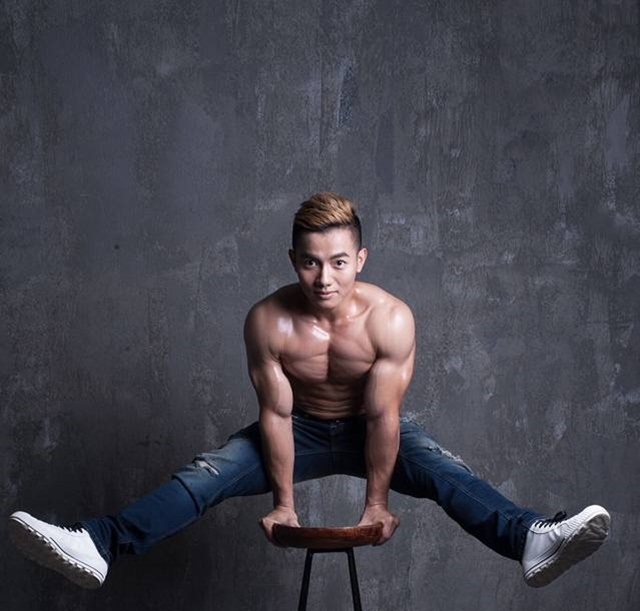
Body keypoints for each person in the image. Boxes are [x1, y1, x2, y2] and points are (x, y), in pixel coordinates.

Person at [9, 192, 610, 590]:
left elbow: (383, 416)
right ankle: (100, 543)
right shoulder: (268, 320)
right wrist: (284, 504)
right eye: (311, 263)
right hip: (296, 430)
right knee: (206, 474)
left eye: (339, 262)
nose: (325, 278)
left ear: (361, 259)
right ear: (293, 258)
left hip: (370, 428)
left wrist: (376, 504)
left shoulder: (390, 319)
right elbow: (275, 414)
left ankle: (531, 539)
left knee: (444, 470)